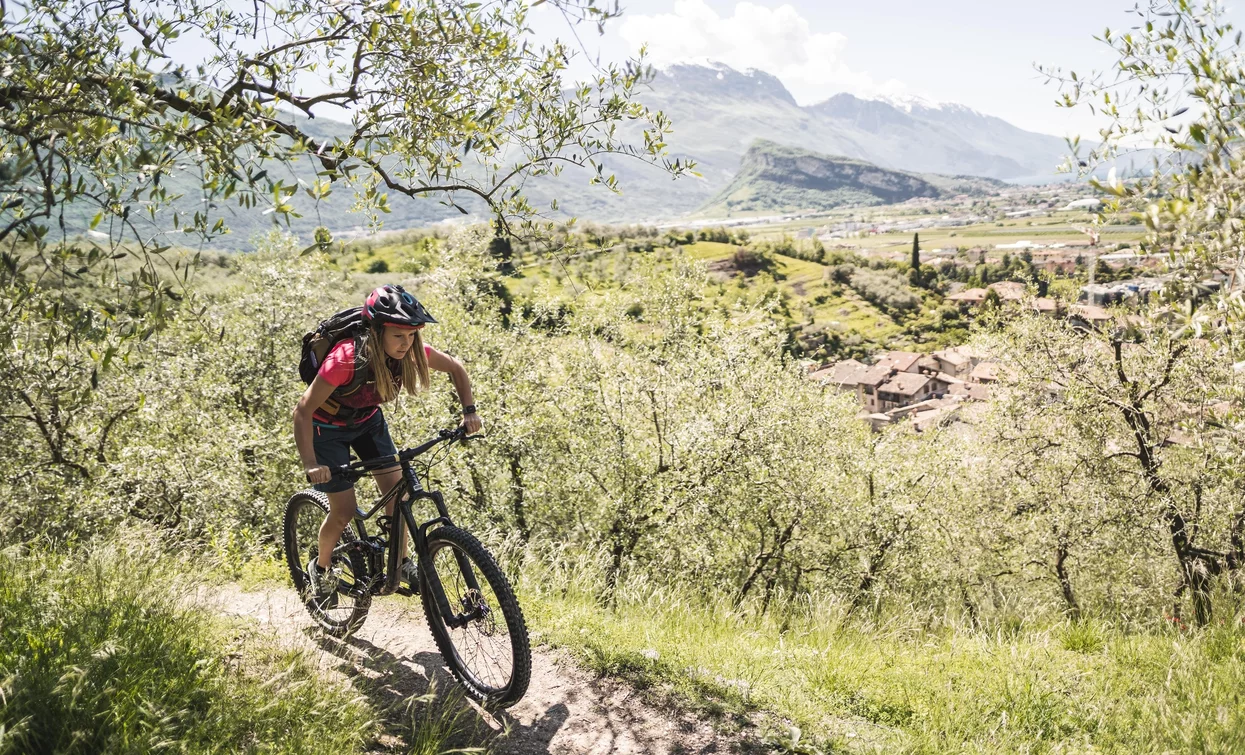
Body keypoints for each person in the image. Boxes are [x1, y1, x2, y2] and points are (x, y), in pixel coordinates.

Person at [292, 284, 483, 600]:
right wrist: (311, 463)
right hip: (326, 428)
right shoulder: (344, 360)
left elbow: (456, 367)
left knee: (399, 497)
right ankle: (321, 569)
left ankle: (402, 563)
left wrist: (469, 412)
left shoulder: (410, 352)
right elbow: (303, 411)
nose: (406, 343)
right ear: (377, 331)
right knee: (343, 511)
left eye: (411, 335)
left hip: (368, 422)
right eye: (398, 335)